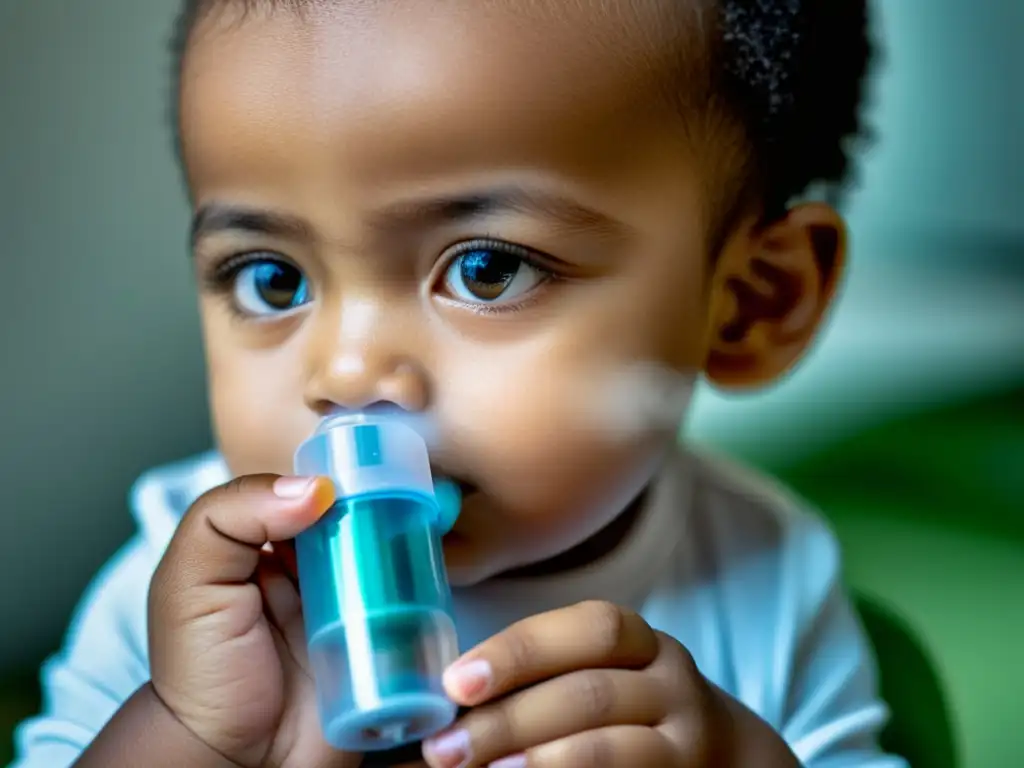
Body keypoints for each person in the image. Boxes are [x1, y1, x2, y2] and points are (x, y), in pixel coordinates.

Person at [11, 1, 906, 766]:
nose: (347, 373)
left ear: (750, 304)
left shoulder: (763, 576)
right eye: (271, 279)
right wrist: (186, 737)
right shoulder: (191, 599)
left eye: (487, 271)